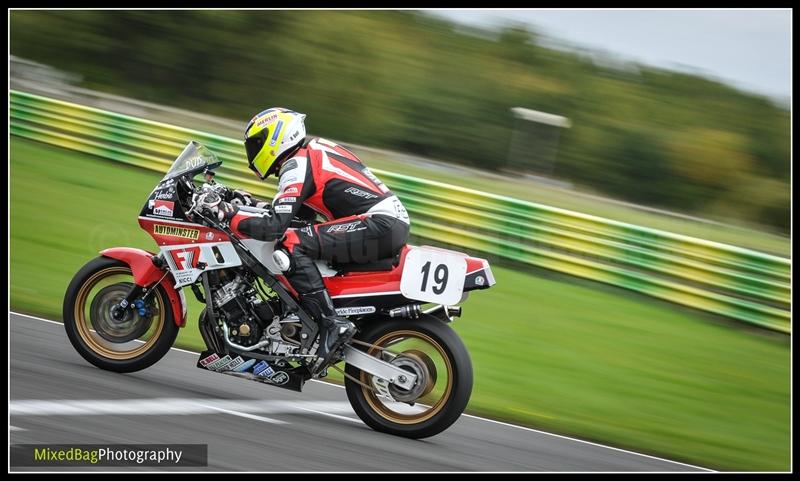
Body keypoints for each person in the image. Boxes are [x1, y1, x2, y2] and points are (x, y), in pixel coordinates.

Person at [203, 107, 410, 369]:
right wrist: (247, 202)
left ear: (276, 137)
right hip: (385, 224)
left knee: (291, 244)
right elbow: (297, 216)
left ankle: (330, 324)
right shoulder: (314, 151)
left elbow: (274, 228)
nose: (253, 152)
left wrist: (227, 214)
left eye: (257, 143)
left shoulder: (296, 164)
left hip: (378, 224)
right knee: (296, 237)